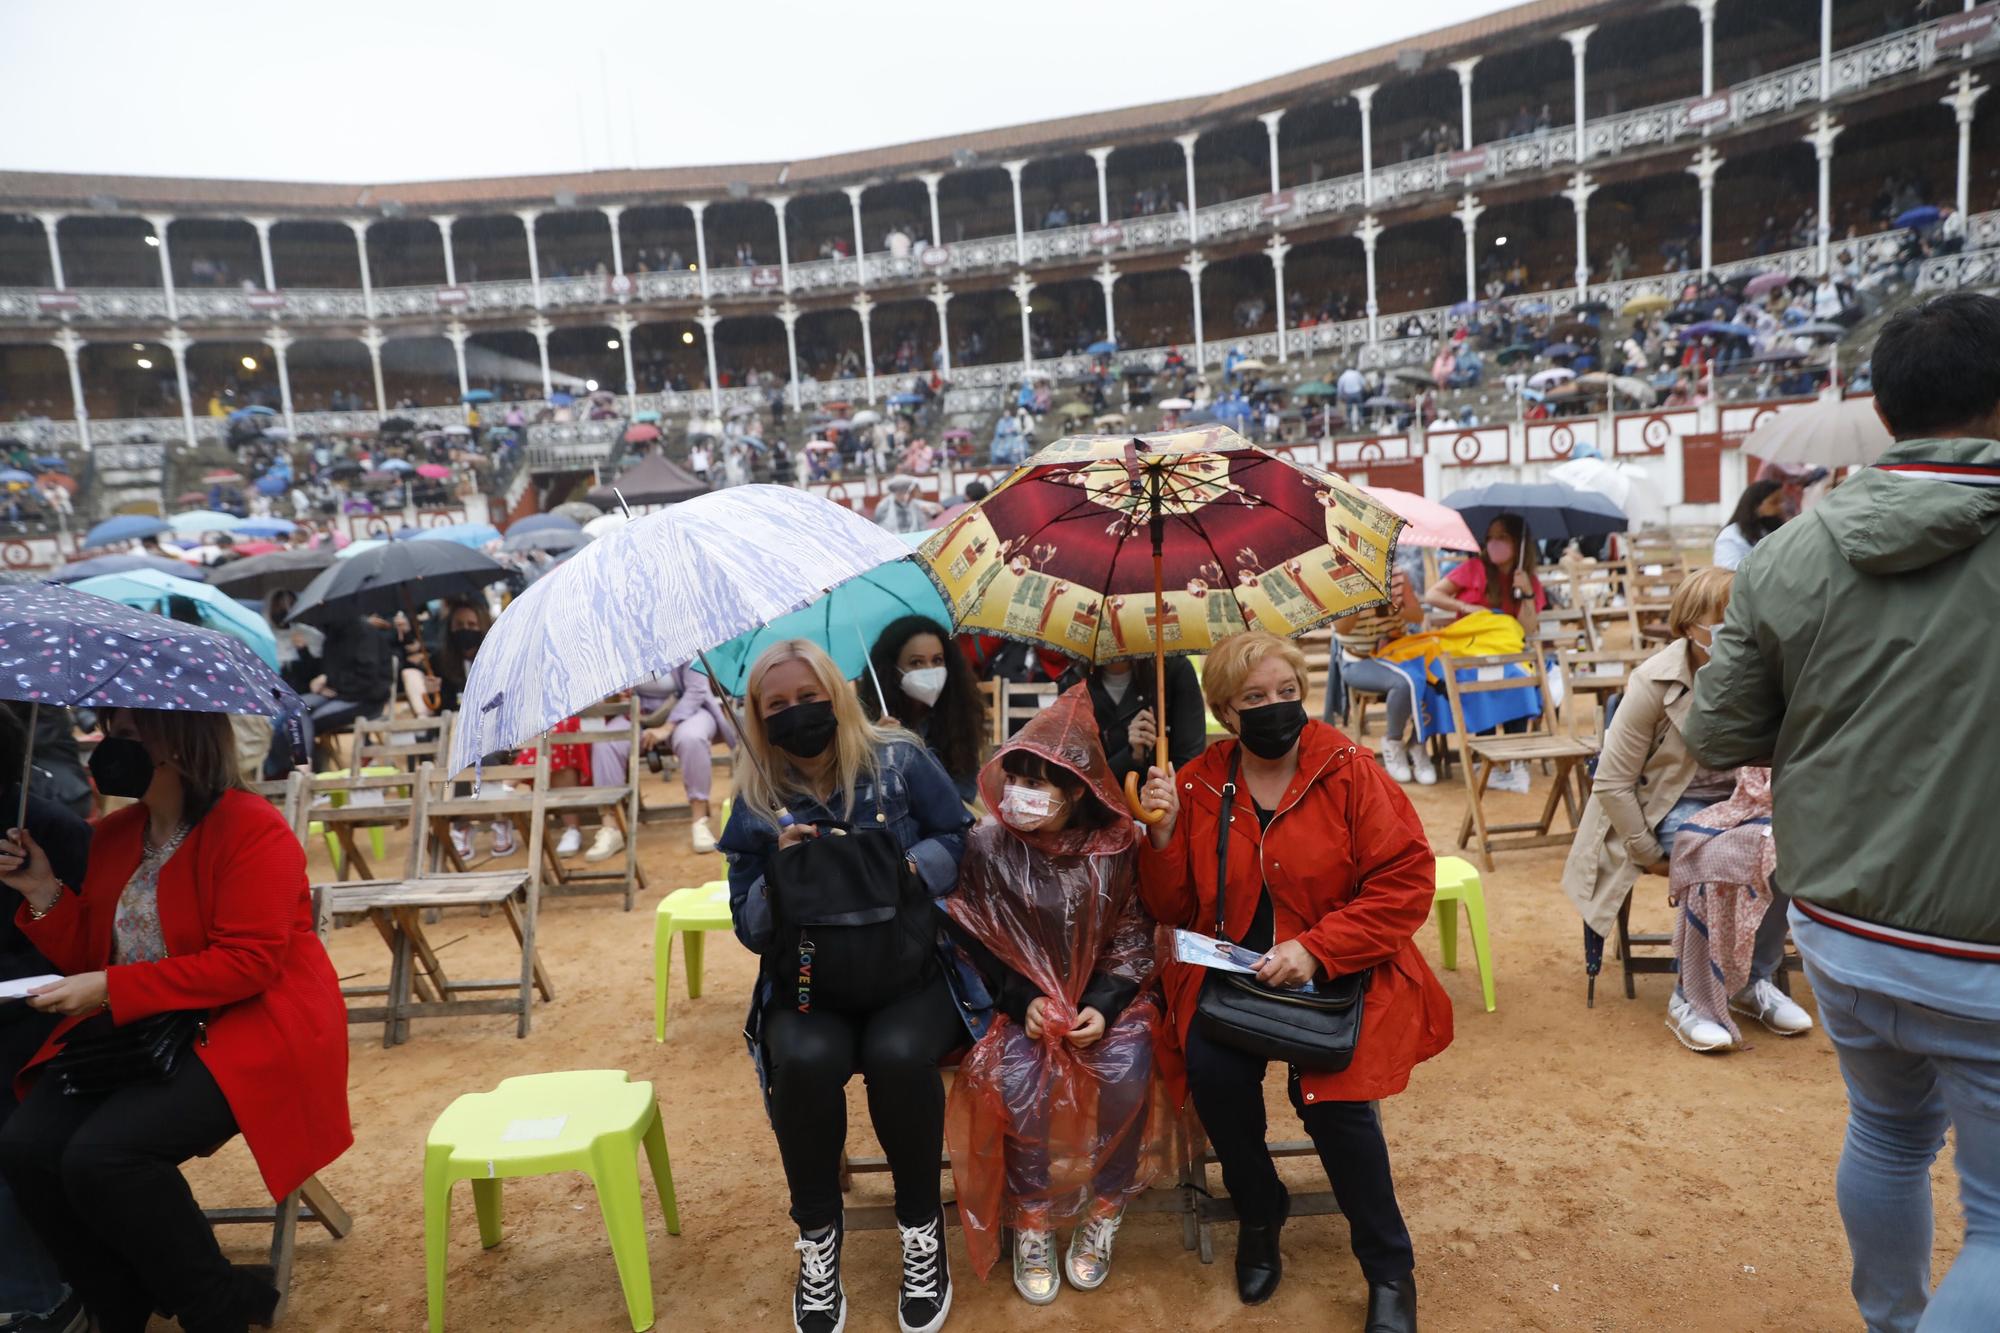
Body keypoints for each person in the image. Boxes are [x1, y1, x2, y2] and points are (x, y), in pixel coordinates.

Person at [1687, 291, 2000, 1332]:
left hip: (1843, 928)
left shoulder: (1789, 551)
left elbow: (1716, 732)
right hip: (1980, 944)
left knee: (1886, 1132)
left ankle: (1889, 1322)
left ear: (1883, 408)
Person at [1134, 631, 1450, 1329]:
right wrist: (1160, 836)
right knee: (1212, 1069)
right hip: (1233, 977)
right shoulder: (1195, 780)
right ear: (1223, 709)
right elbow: (1173, 910)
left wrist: (1318, 947)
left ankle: (1389, 1268)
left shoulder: (1348, 767)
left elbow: (1405, 882)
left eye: (1287, 693)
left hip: (1341, 976)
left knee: (1334, 1098)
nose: (1276, 707)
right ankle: (1258, 1208)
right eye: (1255, 698)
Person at [0, 706, 351, 1333]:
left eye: (128, 735)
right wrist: (42, 890)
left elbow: (248, 963)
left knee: (103, 1156)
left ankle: (217, 1304)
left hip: (243, 1028)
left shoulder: (252, 828)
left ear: (182, 744)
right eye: (107, 731)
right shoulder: (115, 832)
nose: (108, 746)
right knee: (27, 1147)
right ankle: (119, 1301)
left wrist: (110, 986)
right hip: (142, 1028)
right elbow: (94, 953)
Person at [715, 640, 977, 1333]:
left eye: (808, 697)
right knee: (801, 1063)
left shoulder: (900, 757)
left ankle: (922, 1227)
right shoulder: (755, 799)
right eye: (777, 706)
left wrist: (907, 867)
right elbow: (747, 922)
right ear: (756, 716)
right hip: (809, 984)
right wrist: (780, 872)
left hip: (910, 972)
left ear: (837, 694)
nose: (796, 713)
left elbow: (959, 835)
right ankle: (817, 1239)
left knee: (897, 1058)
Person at [941, 684, 1166, 1304]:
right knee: (1017, 1077)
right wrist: (1022, 1000)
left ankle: (1106, 1209)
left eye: (1042, 782)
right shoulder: (987, 847)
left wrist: (1106, 1001)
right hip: (1022, 1009)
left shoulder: (1118, 849)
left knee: (1126, 1066)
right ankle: (1033, 1219)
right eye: (1017, 778)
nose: (1023, 796)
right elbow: (973, 939)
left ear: (1080, 789)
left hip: (1105, 1003)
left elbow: (1133, 936)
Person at [1559, 567, 1810, 1052]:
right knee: (1712, 853)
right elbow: (1612, 780)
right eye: (1726, 620)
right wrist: (1644, 848)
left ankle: (1753, 982)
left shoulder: (1761, 675)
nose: (1739, 630)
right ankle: (1690, 999)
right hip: (1668, 807)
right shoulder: (1654, 681)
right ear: (1692, 625)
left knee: (1785, 846)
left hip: (1745, 797)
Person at [0, 708, 92, 1333]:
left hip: (52, 1017)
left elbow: (87, 954)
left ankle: (41, 1295)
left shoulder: (48, 829)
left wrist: (38, 890)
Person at [1423, 513, 1546, 792]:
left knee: (1518, 678)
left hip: (1507, 651)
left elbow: (1528, 629)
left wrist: (1526, 593)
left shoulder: (1527, 580)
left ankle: (1512, 761)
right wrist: (1467, 608)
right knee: (1481, 677)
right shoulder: (1474, 568)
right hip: (1470, 650)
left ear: (1518, 543)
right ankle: (1486, 757)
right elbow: (1433, 595)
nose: (1494, 544)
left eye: (1502, 538)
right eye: (1490, 538)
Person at [1326, 565, 1435, 786]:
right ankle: (1393, 742)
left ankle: (1417, 743)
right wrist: (1362, 595)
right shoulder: (1339, 579)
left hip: (1395, 654)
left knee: (1436, 681)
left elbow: (1417, 615)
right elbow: (1343, 629)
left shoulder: (1397, 575)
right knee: (1404, 683)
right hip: (1358, 660)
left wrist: (1395, 604)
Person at [863, 616, 987, 805]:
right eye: (916, 663)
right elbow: (865, 796)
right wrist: (875, 748)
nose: (930, 670)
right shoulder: (868, 720)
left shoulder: (960, 714)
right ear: (892, 670)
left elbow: (965, 792)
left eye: (937, 660)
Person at [1065, 657, 1206, 793]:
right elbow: (1078, 779)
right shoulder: (1075, 681)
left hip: (1165, 806)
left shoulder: (1173, 670)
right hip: (1099, 810)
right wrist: (1131, 755)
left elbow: (1190, 760)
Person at [636, 664, 735, 855]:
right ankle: (610, 823)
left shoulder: (682, 640)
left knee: (692, 738)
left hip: (689, 711)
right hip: (638, 716)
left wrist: (667, 727)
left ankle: (699, 821)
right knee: (607, 742)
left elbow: (697, 690)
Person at [1711, 480, 1787, 571]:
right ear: (1755, 505)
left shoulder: (1776, 531)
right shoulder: (1731, 537)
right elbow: (1729, 573)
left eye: (1782, 502)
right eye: (1774, 503)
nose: (1781, 508)